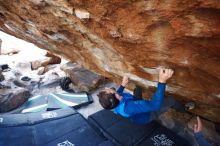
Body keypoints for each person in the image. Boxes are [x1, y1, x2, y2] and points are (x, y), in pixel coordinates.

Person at [97, 68, 188, 124]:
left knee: (138, 89)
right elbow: (154, 105)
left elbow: (117, 94)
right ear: (116, 96)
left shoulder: (112, 103)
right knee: (171, 100)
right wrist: (162, 81)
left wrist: (123, 85)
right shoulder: (129, 107)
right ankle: (184, 109)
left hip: (132, 104)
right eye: (108, 90)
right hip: (147, 115)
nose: (107, 88)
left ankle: (156, 98)